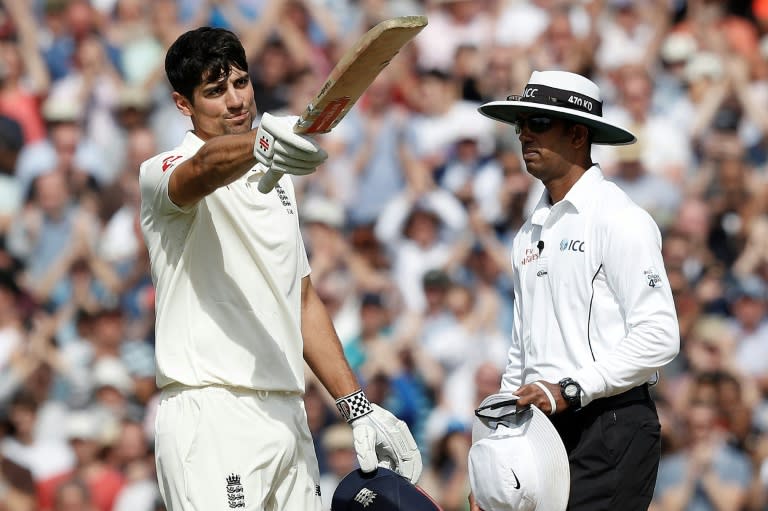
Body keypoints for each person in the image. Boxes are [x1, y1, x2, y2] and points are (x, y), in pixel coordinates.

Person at [138, 27, 421, 511]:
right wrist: (261, 143)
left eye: (241, 84)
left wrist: (355, 406)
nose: (235, 101)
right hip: (213, 411)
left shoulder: (279, 179)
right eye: (214, 91)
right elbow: (204, 169)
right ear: (182, 104)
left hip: (288, 410)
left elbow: (302, 299)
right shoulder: (164, 171)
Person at [470, 70, 680, 510]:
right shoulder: (529, 232)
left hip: (611, 424)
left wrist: (570, 389)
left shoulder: (620, 218)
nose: (525, 134)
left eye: (539, 123)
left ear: (578, 134)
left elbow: (659, 336)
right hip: (543, 431)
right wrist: (496, 459)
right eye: (520, 124)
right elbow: (521, 355)